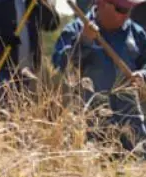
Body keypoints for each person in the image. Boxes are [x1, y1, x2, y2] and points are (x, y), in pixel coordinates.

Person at [53, 0, 146, 149]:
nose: (126, 15)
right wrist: (83, 41)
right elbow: (62, 67)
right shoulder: (75, 30)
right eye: (121, 9)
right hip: (91, 127)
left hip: (132, 128)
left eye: (129, 10)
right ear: (102, 3)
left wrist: (142, 75)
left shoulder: (136, 33)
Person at [0, 0, 60, 93]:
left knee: (26, 102)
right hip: (0, 68)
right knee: (1, 100)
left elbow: (53, 24)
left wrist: (43, 4)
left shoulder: (31, 2)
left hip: (29, 70)